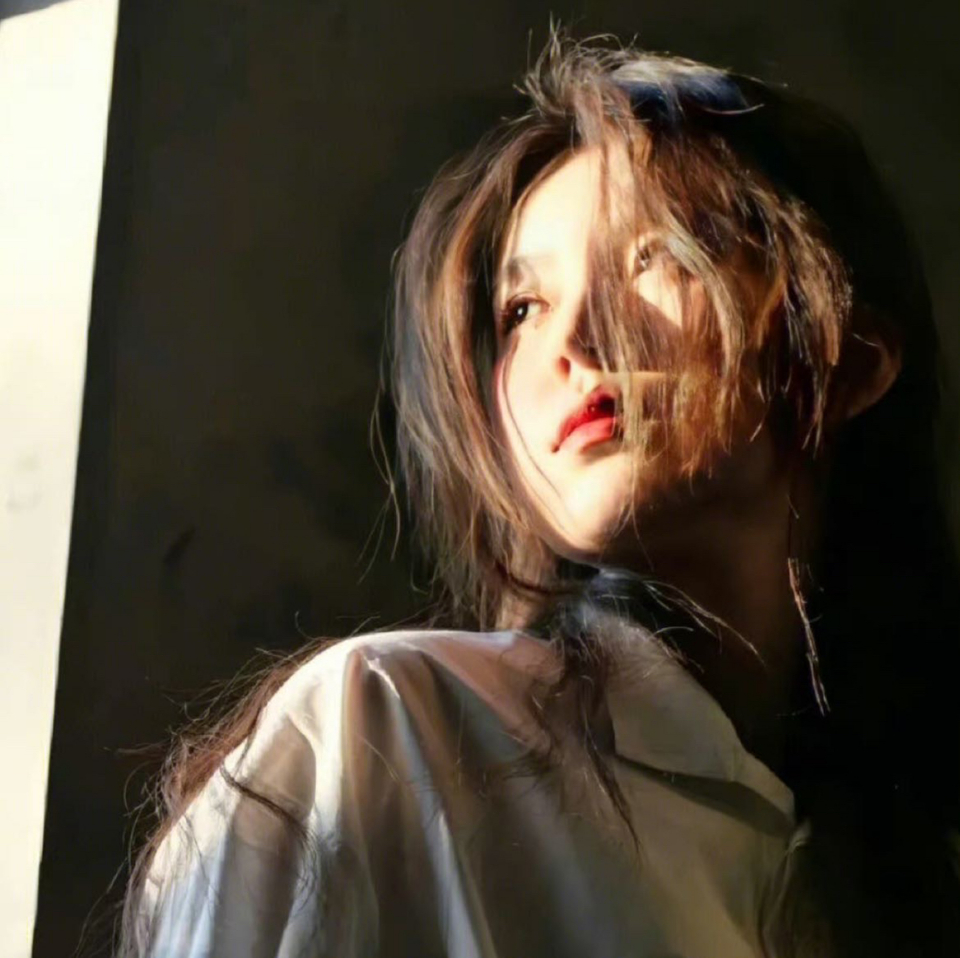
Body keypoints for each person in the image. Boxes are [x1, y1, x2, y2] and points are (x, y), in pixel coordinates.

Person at [118, 33, 960, 958]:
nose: (572, 344)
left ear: (847, 358)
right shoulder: (383, 730)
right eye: (521, 309)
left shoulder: (906, 877)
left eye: (655, 258)